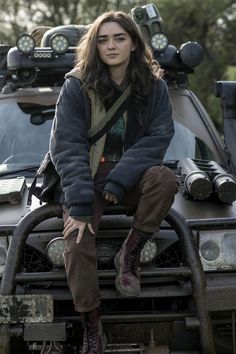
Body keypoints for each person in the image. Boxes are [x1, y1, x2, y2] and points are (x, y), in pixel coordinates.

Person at [49, 9, 178, 354]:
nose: (111, 46)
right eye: (103, 39)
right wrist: (77, 205)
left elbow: (158, 138)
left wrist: (120, 180)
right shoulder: (77, 85)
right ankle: (92, 325)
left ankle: (129, 253)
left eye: (119, 38)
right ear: (95, 46)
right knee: (76, 241)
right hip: (85, 178)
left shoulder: (154, 88)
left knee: (165, 180)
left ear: (134, 43)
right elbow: (67, 145)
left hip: (132, 177)